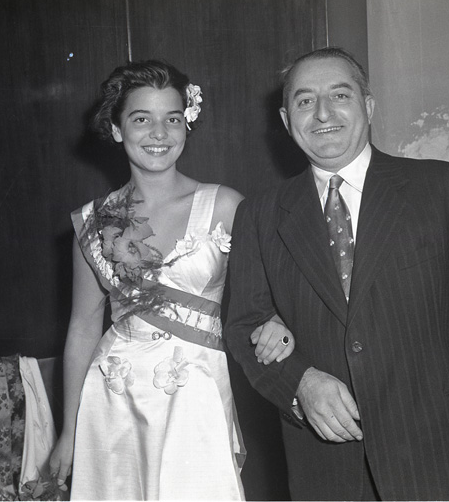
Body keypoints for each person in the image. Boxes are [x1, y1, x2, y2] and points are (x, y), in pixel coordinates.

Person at [224, 46, 449, 501]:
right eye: (305, 101)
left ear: (367, 106)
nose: (322, 112)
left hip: (441, 457)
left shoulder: (441, 189)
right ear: (287, 121)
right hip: (326, 470)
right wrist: (300, 382)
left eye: (339, 95)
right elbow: (244, 326)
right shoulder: (259, 215)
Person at [48, 59, 294, 500]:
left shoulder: (225, 206)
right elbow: (82, 327)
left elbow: (273, 291)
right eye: (142, 119)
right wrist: (68, 430)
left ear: (186, 124)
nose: (159, 133)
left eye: (173, 119)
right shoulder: (93, 221)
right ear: (117, 129)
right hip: (114, 394)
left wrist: (277, 319)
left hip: (195, 391)